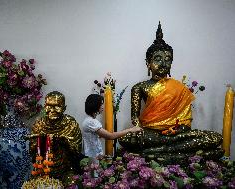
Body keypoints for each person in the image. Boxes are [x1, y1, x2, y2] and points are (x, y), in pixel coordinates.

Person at [118, 22, 223, 164]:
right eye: (157, 59)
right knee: (124, 138)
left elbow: (186, 121)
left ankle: (155, 153)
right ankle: (177, 154)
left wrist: (178, 130)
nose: (163, 63)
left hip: (176, 135)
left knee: (215, 137)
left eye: (168, 60)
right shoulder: (139, 87)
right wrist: (139, 131)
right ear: (148, 63)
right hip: (151, 134)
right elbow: (135, 119)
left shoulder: (179, 88)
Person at [29, 91, 83, 184]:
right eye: (49, 106)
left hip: (66, 169)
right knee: (33, 184)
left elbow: (77, 151)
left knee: (73, 183)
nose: (52, 110)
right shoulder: (39, 124)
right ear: (45, 106)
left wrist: (64, 141)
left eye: (57, 106)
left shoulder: (70, 124)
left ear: (64, 108)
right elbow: (32, 152)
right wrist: (42, 141)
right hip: (43, 169)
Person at [82, 94, 141, 160]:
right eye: (101, 104)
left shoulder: (89, 120)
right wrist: (130, 130)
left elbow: (94, 136)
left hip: (93, 155)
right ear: (95, 105)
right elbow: (110, 136)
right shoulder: (91, 122)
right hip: (92, 157)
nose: (102, 107)